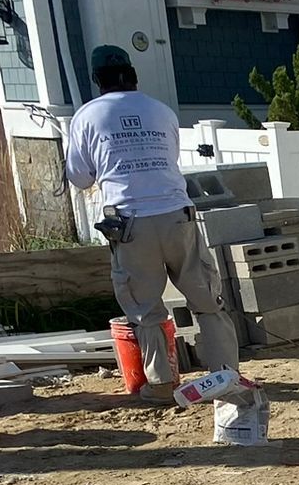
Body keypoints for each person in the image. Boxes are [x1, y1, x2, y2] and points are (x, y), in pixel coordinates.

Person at [65, 45, 238, 398]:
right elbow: (169, 159)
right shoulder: (161, 111)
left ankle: (160, 384)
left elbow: (80, 178)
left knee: (146, 308)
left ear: (97, 80)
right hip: (177, 215)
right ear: (133, 75)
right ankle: (226, 378)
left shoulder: (86, 116)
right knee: (206, 299)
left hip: (129, 224)